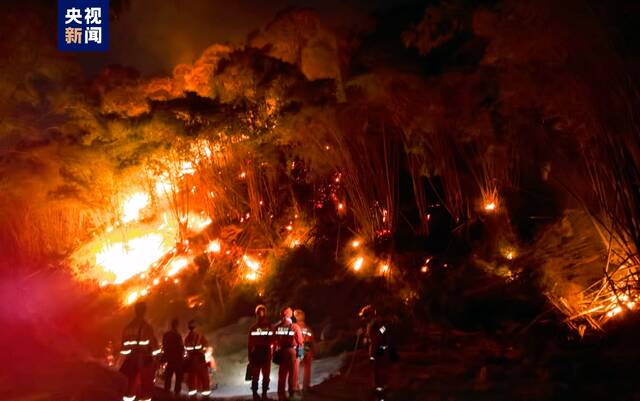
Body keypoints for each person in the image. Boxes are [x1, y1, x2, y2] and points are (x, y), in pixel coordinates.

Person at [119, 302, 160, 401]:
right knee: (145, 389)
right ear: (144, 311)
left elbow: (123, 349)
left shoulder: (128, 328)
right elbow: (153, 346)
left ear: (135, 311)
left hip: (129, 360)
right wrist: (156, 359)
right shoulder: (147, 327)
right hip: (144, 361)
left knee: (129, 387)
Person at [358, 305, 395, 401]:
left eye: (365, 316)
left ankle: (380, 391)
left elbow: (376, 338)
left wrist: (372, 356)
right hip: (379, 349)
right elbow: (372, 337)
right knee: (378, 369)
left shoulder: (376, 323)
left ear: (369, 315)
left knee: (378, 369)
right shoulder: (373, 323)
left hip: (379, 350)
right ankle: (381, 389)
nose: (363, 318)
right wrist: (364, 335)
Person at [274, 307, 304, 401]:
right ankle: (292, 394)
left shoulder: (277, 327)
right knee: (293, 373)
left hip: (282, 352)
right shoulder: (294, 326)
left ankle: (281, 395)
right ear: (290, 315)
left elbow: (274, 342)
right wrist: (300, 354)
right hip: (292, 353)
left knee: (282, 374)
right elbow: (300, 342)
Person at [248, 305, 274, 401]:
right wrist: (273, 353)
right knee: (266, 375)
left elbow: (249, 344)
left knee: (255, 375)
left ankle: (255, 395)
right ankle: (264, 395)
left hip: (256, 353)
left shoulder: (253, 328)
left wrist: (249, 356)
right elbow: (273, 341)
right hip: (266, 352)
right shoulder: (270, 326)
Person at [184, 319, 212, 398]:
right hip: (200, 361)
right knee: (205, 379)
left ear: (189, 328)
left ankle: (193, 398)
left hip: (191, 362)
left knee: (192, 381)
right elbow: (206, 345)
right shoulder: (199, 336)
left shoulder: (187, 338)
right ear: (195, 327)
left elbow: (186, 350)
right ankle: (206, 397)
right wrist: (203, 351)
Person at [162, 318, 184, 397]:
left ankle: (166, 393)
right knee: (178, 377)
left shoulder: (166, 335)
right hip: (177, 360)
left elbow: (164, 346)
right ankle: (176, 394)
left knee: (168, 377)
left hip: (169, 359)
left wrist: (165, 357)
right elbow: (181, 348)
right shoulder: (178, 335)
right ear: (177, 325)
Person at [293, 309, 314, 392]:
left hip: (303, 348)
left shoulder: (297, 327)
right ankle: (300, 386)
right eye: (300, 315)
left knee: (300, 367)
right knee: (300, 367)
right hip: (303, 348)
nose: (301, 316)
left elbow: (311, 339)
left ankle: (301, 386)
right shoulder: (304, 327)